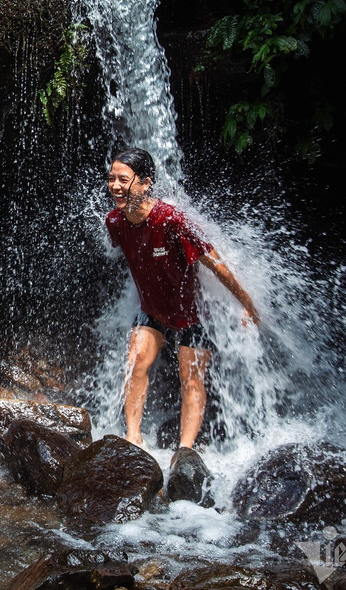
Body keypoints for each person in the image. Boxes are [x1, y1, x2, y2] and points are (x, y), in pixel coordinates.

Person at [105, 148, 259, 450]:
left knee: (191, 378)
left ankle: (185, 450)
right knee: (135, 362)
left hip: (192, 315)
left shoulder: (171, 220)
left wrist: (248, 305)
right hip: (152, 309)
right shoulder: (114, 222)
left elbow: (217, 265)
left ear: (145, 183)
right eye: (111, 179)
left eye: (123, 179)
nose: (115, 186)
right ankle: (133, 438)